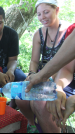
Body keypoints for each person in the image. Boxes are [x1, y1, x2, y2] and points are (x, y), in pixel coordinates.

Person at [15, 0, 73, 132]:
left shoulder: (69, 31)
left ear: (57, 10)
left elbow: (67, 69)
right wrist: (32, 74)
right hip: (42, 75)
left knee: (40, 103)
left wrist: (47, 78)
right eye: (39, 14)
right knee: (21, 95)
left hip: (64, 78)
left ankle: (53, 129)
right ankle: (33, 124)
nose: (42, 17)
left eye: (46, 12)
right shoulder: (39, 34)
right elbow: (34, 61)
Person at [26, 25, 75, 132]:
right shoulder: (73, 30)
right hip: (67, 82)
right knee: (40, 100)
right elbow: (67, 69)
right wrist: (58, 88)